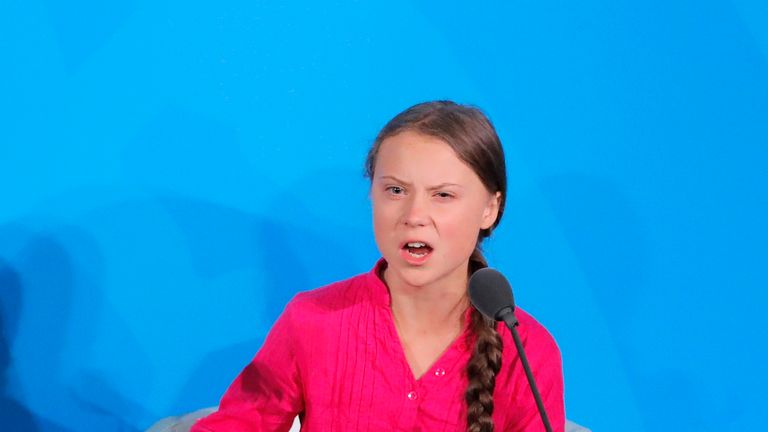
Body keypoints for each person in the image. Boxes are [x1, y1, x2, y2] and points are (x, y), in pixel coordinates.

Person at [191, 101, 565, 431]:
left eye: (443, 195)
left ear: (490, 208)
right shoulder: (312, 320)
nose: (415, 215)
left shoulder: (527, 349)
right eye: (396, 191)